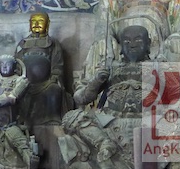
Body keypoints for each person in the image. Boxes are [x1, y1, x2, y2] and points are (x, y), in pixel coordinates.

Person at [59, 25, 152, 168]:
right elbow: (81, 98)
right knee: (71, 118)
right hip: (111, 120)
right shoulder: (110, 68)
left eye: (138, 40)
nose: (132, 45)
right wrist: (97, 81)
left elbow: (178, 96)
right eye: (126, 41)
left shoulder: (159, 67)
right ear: (120, 47)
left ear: (148, 44)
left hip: (149, 119)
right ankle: (104, 143)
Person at [0, 55, 39, 169]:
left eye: (8, 64)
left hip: (10, 125)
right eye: (2, 64)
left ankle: (30, 160)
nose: (5, 67)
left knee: (21, 144)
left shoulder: (21, 81)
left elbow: (10, 100)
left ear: (15, 67)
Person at [15, 11, 67, 127]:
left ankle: (52, 118)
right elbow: (17, 63)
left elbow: (57, 63)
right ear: (29, 24)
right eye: (33, 21)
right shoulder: (22, 44)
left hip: (46, 83)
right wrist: (18, 78)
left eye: (41, 21)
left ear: (47, 24)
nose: (37, 24)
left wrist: (54, 76)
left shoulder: (53, 43)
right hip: (25, 82)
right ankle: (21, 119)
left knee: (54, 90)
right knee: (17, 94)